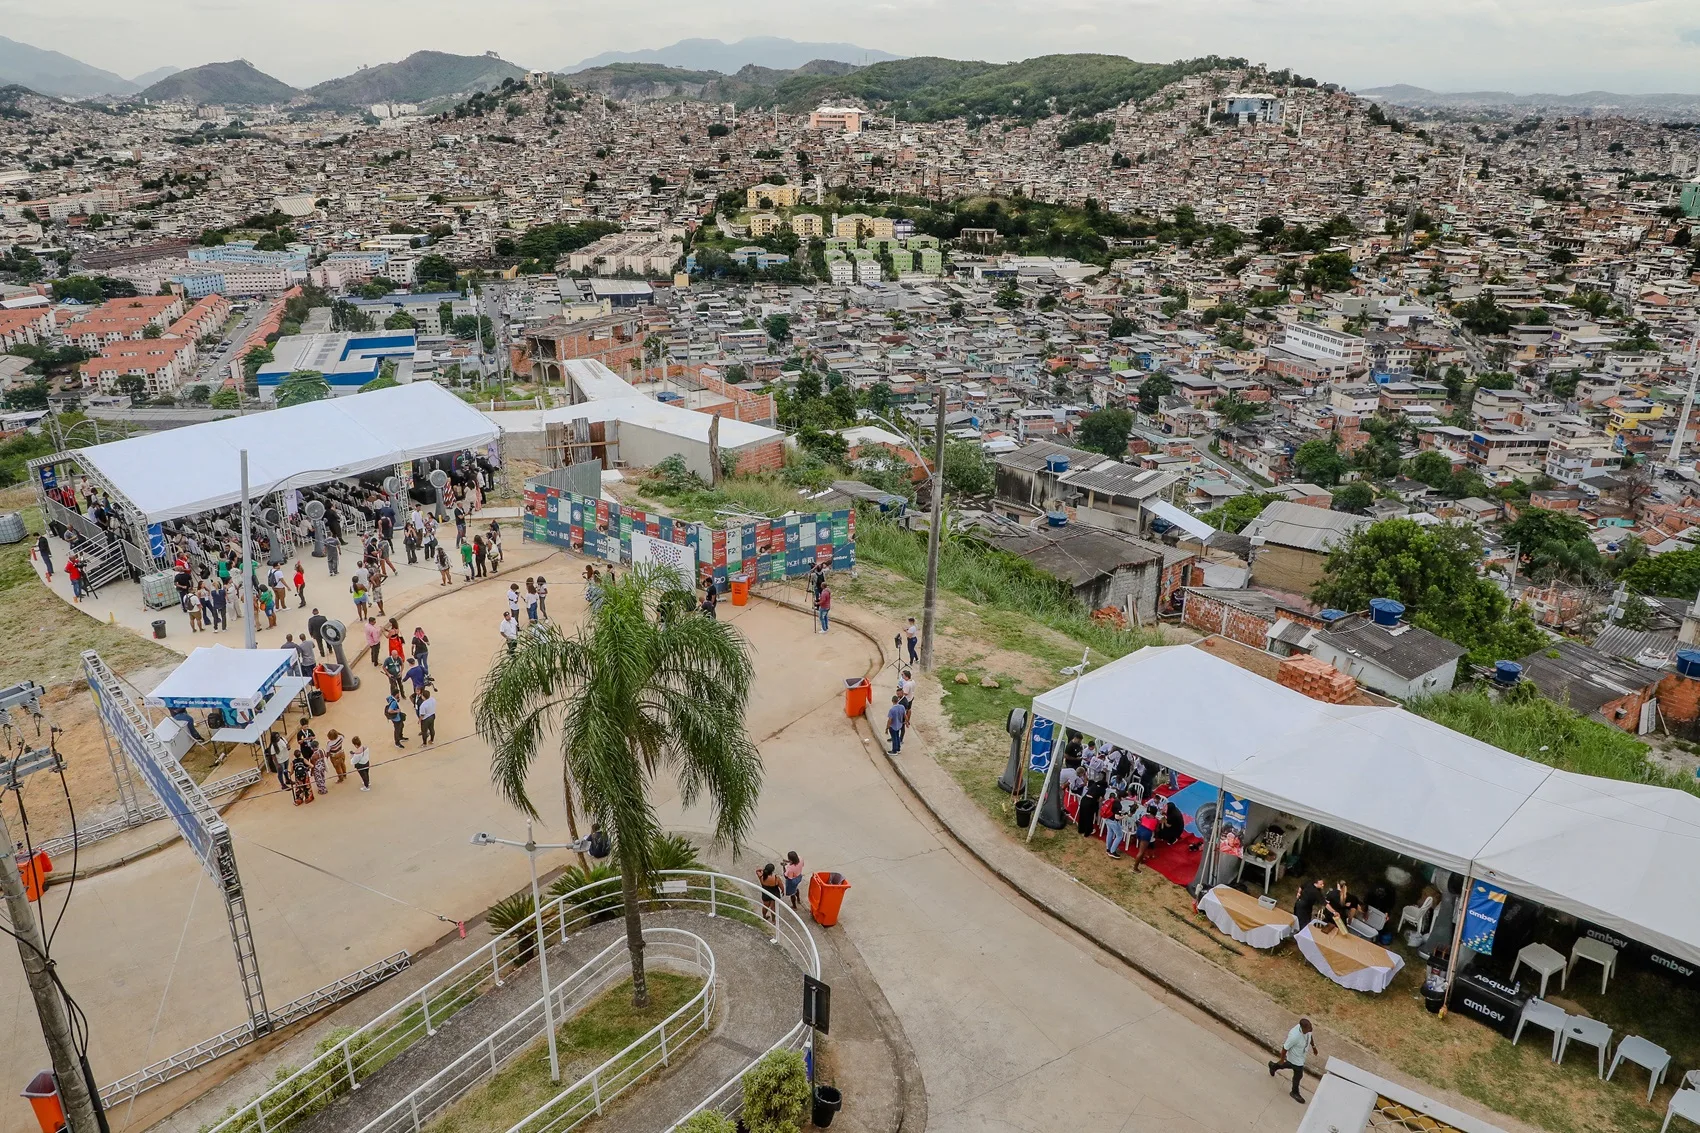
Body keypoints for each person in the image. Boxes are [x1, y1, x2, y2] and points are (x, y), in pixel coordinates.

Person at [1268, 1019, 1315, 1103]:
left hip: (1301, 1055)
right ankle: (1294, 1092)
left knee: (1288, 1065)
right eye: (1309, 1028)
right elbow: (1284, 1048)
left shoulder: (1308, 1030)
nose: (1311, 1029)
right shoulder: (1294, 1036)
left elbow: (1310, 1036)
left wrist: (1314, 1046)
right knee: (1298, 1075)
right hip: (1295, 1058)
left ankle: (1273, 1066)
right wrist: (1282, 1059)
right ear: (1303, 1028)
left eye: (1311, 1027)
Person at [1102, 791, 1125, 858]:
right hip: (1113, 821)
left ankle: (1108, 848)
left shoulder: (1112, 801)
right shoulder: (1118, 805)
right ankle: (1112, 851)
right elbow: (1117, 817)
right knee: (1119, 835)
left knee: (1110, 833)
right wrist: (1124, 817)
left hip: (1107, 819)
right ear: (1122, 797)